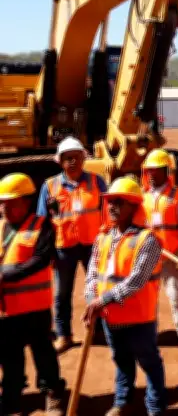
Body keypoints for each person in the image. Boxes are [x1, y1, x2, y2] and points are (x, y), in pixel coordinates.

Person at [83, 177, 167, 416]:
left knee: (149, 363)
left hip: (139, 317)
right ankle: (123, 402)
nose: (112, 206)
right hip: (110, 316)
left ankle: (155, 407)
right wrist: (91, 298)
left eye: (119, 201)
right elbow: (92, 272)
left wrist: (103, 300)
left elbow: (136, 281)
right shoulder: (102, 238)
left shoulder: (147, 240)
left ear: (134, 206)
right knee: (121, 360)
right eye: (110, 201)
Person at [0, 173, 66, 416]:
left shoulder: (42, 226)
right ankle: (12, 396)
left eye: (11, 203)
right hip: (6, 310)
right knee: (9, 356)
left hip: (34, 308)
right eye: (2, 203)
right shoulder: (0, 226)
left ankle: (53, 394)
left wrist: (6, 274)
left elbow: (40, 259)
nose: (5, 208)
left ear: (27, 201)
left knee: (43, 353)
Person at [38, 136, 107, 352]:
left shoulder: (97, 182)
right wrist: (45, 251)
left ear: (83, 159)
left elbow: (108, 213)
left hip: (93, 246)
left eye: (77, 157)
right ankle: (64, 335)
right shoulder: (50, 186)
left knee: (96, 290)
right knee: (62, 294)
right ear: (60, 161)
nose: (73, 162)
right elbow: (43, 222)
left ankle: (99, 331)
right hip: (63, 248)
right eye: (68, 158)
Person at [141, 148, 178, 361]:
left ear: (166, 171)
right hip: (148, 259)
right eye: (149, 171)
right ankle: (148, 340)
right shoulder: (142, 196)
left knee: (177, 300)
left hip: (172, 258)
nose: (152, 174)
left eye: (156, 170)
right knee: (147, 303)